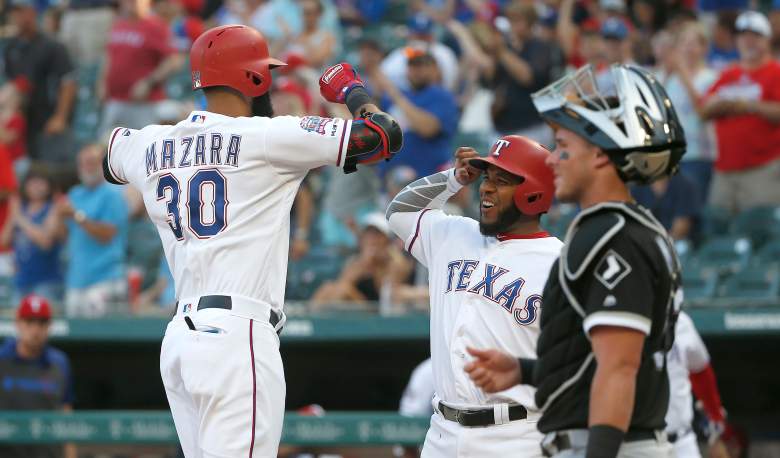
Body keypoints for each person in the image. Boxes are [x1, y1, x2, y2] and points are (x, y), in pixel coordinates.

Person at [102, 25, 402, 457]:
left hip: (180, 343)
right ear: (254, 79)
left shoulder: (151, 142)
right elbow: (382, 135)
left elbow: (111, 153)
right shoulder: (268, 136)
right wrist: (353, 91)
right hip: (235, 338)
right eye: (267, 74)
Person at [465, 64, 686, 458]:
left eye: (564, 147)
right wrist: (527, 370)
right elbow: (595, 361)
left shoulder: (618, 238)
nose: (552, 161)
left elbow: (619, 369)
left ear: (600, 156)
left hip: (612, 445)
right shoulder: (609, 229)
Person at [386, 135, 562, 457]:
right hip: (442, 432)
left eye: (502, 180)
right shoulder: (455, 234)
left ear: (534, 193)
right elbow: (399, 210)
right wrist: (454, 179)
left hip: (518, 435)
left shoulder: (562, 264)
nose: (486, 187)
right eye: (486, 177)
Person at [701, 10, 780, 214]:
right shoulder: (729, 74)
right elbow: (704, 109)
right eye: (743, 35)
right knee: (718, 227)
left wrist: (751, 105)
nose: (748, 41)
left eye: (755, 36)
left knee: (760, 230)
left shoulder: (775, 72)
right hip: (725, 170)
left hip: (763, 170)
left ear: (767, 39)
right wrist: (720, 106)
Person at [0, 295, 76, 458]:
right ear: (18, 324)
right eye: (29, 322)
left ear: (49, 326)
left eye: (41, 323)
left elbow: (66, 414)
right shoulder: (2, 360)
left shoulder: (59, 363)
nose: (35, 330)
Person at [59, 144, 129, 317]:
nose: (87, 168)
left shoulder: (112, 194)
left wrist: (77, 216)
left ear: (102, 165)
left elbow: (107, 234)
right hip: (76, 279)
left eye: (92, 162)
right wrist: (57, 216)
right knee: (74, 338)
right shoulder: (75, 193)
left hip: (105, 279)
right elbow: (64, 235)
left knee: (102, 338)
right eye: (83, 163)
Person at [3, 0, 77, 163]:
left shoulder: (52, 46)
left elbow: (68, 82)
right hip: (26, 121)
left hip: (48, 120)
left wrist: (60, 116)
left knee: (52, 169)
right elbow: (11, 85)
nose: (16, 17)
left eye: (21, 11)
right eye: (14, 12)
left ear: (32, 12)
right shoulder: (12, 47)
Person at [97, 0, 184, 138]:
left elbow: (174, 60)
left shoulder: (156, 26)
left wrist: (149, 82)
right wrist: (102, 82)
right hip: (115, 99)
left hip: (143, 104)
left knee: (141, 149)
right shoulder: (118, 25)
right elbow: (109, 57)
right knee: (108, 149)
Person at [371, 51, 460, 178]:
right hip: (391, 179)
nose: (416, 70)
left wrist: (394, 94)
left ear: (435, 69)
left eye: (423, 66)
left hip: (429, 178)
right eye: (412, 66)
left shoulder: (441, 96)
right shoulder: (394, 96)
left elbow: (428, 129)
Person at [665, 311, 732, 458]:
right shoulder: (624, 323)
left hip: (682, 441)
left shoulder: (680, 321)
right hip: (638, 441)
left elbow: (701, 371)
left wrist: (715, 418)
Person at [311, 212, 412, 308]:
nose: (372, 238)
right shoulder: (356, 261)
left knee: (344, 290)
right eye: (368, 234)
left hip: (379, 312)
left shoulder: (396, 261)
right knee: (327, 288)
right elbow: (342, 283)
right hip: (358, 309)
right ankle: (308, 318)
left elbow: (387, 296)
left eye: (377, 234)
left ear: (387, 239)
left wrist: (376, 267)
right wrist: (363, 264)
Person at [0, 169, 64, 303]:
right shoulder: (20, 208)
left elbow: (46, 242)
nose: (36, 186)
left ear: (49, 186)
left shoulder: (53, 208)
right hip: (20, 280)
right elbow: (4, 241)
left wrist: (20, 218)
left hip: (46, 281)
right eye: (32, 181)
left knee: (43, 321)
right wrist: (13, 216)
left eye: (41, 182)